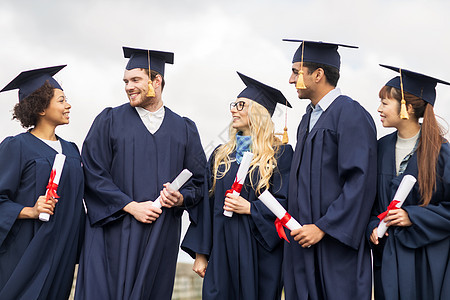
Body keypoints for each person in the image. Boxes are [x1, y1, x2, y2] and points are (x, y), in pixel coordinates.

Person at [74, 47, 206, 300]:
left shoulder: (184, 128)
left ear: (156, 81)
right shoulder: (110, 120)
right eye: (125, 81)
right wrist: (130, 206)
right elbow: (92, 172)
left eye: (135, 80)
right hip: (112, 232)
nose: (128, 87)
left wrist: (180, 199)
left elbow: (199, 182)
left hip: (160, 235)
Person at [181, 72, 293, 300]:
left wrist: (250, 208)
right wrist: (201, 253)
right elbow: (206, 205)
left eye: (241, 105)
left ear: (258, 112)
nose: (233, 109)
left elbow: (286, 200)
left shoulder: (280, 154)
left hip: (260, 253)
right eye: (234, 104)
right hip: (222, 251)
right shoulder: (221, 155)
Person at [282, 39, 377, 300]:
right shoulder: (306, 120)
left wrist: (323, 227)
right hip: (303, 242)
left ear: (318, 74)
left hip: (335, 246)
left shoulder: (350, 114)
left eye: (295, 71)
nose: (291, 80)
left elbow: (360, 181)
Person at [0, 65, 85, 299]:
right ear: (40, 107)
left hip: (62, 253)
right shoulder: (16, 146)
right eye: (61, 100)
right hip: (25, 252)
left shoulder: (72, 150)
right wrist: (30, 211)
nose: (68, 105)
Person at [367, 65, 450, 300]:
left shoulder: (441, 153)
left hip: (427, 261)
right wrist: (372, 228)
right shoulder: (380, 149)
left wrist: (413, 216)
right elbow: (371, 205)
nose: (379, 109)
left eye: (384, 103)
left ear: (407, 107)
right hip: (389, 260)